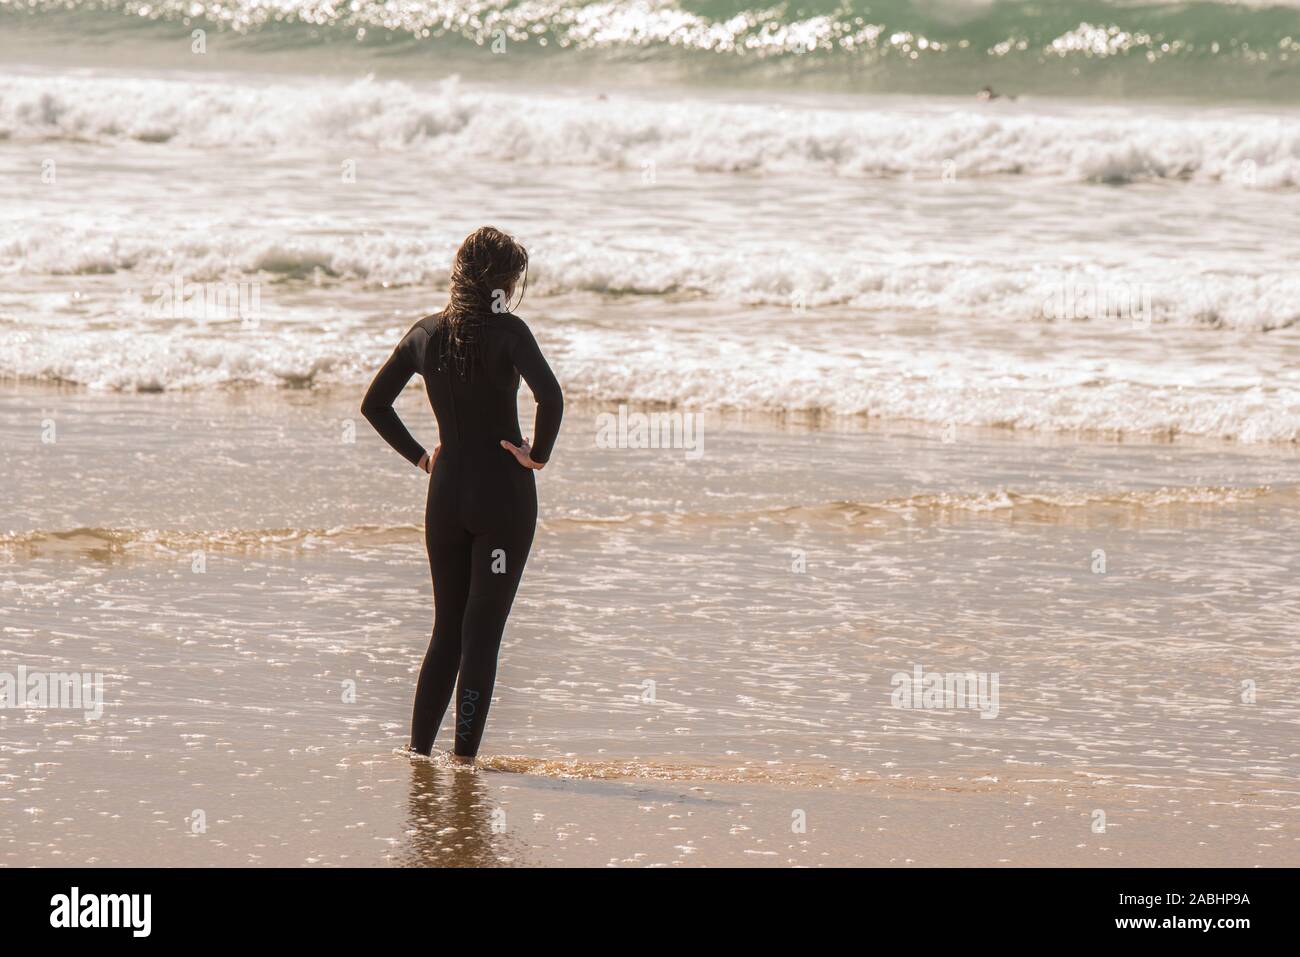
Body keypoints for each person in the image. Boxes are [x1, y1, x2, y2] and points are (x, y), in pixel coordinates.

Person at [361, 225, 563, 764]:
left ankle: (419, 754)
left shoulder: (425, 333)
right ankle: (464, 764)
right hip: (503, 498)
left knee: (446, 629)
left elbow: (374, 405)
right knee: (482, 637)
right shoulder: (510, 333)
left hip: (446, 495)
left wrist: (424, 458)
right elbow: (551, 397)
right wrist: (536, 455)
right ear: (502, 282)